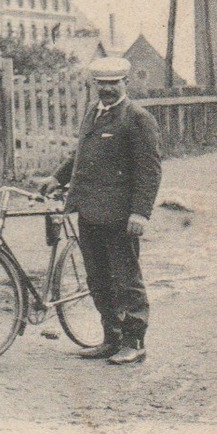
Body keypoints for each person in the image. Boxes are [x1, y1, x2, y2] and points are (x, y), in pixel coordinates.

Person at [44, 55, 163, 364]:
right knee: (98, 279)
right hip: (89, 212)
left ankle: (134, 342)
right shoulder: (92, 114)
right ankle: (111, 338)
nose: (107, 89)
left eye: (113, 83)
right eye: (101, 84)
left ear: (125, 83)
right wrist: (57, 177)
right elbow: (81, 158)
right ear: (94, 84)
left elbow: (149, 171)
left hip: (121, 216)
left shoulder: (137, 118)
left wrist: (140, 213)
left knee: (126, 278)